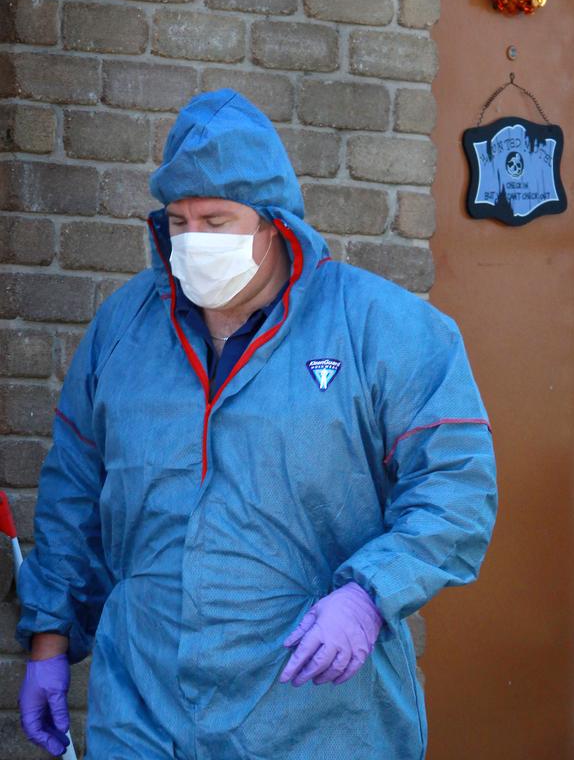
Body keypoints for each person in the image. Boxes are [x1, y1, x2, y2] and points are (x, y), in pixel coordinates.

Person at [16, 89, 497, 760]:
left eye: (217, 220)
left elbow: (456, 488)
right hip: (145, 705)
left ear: (275, 224)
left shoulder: (382, 329)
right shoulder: (124, 332)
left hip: (317, 716)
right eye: (179, 223)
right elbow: (73, 491)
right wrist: (50, 638)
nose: (195, 242)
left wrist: (368, 594)